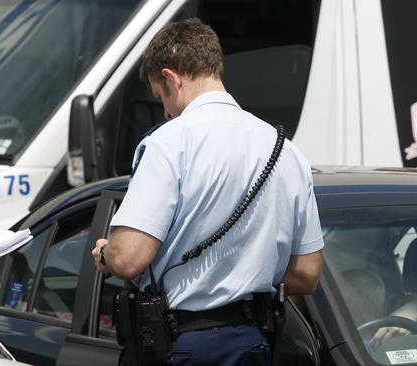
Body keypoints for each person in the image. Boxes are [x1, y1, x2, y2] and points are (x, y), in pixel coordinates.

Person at [92, 19, 323, 365]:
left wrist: (105, 254)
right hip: (256, 342)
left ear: (171, 78)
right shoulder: (286, 150)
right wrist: (245, 270)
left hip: (184, 343)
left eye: (160, 98)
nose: (166, 112)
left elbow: (129, 258)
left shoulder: (168, 142)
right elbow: (306, 274)